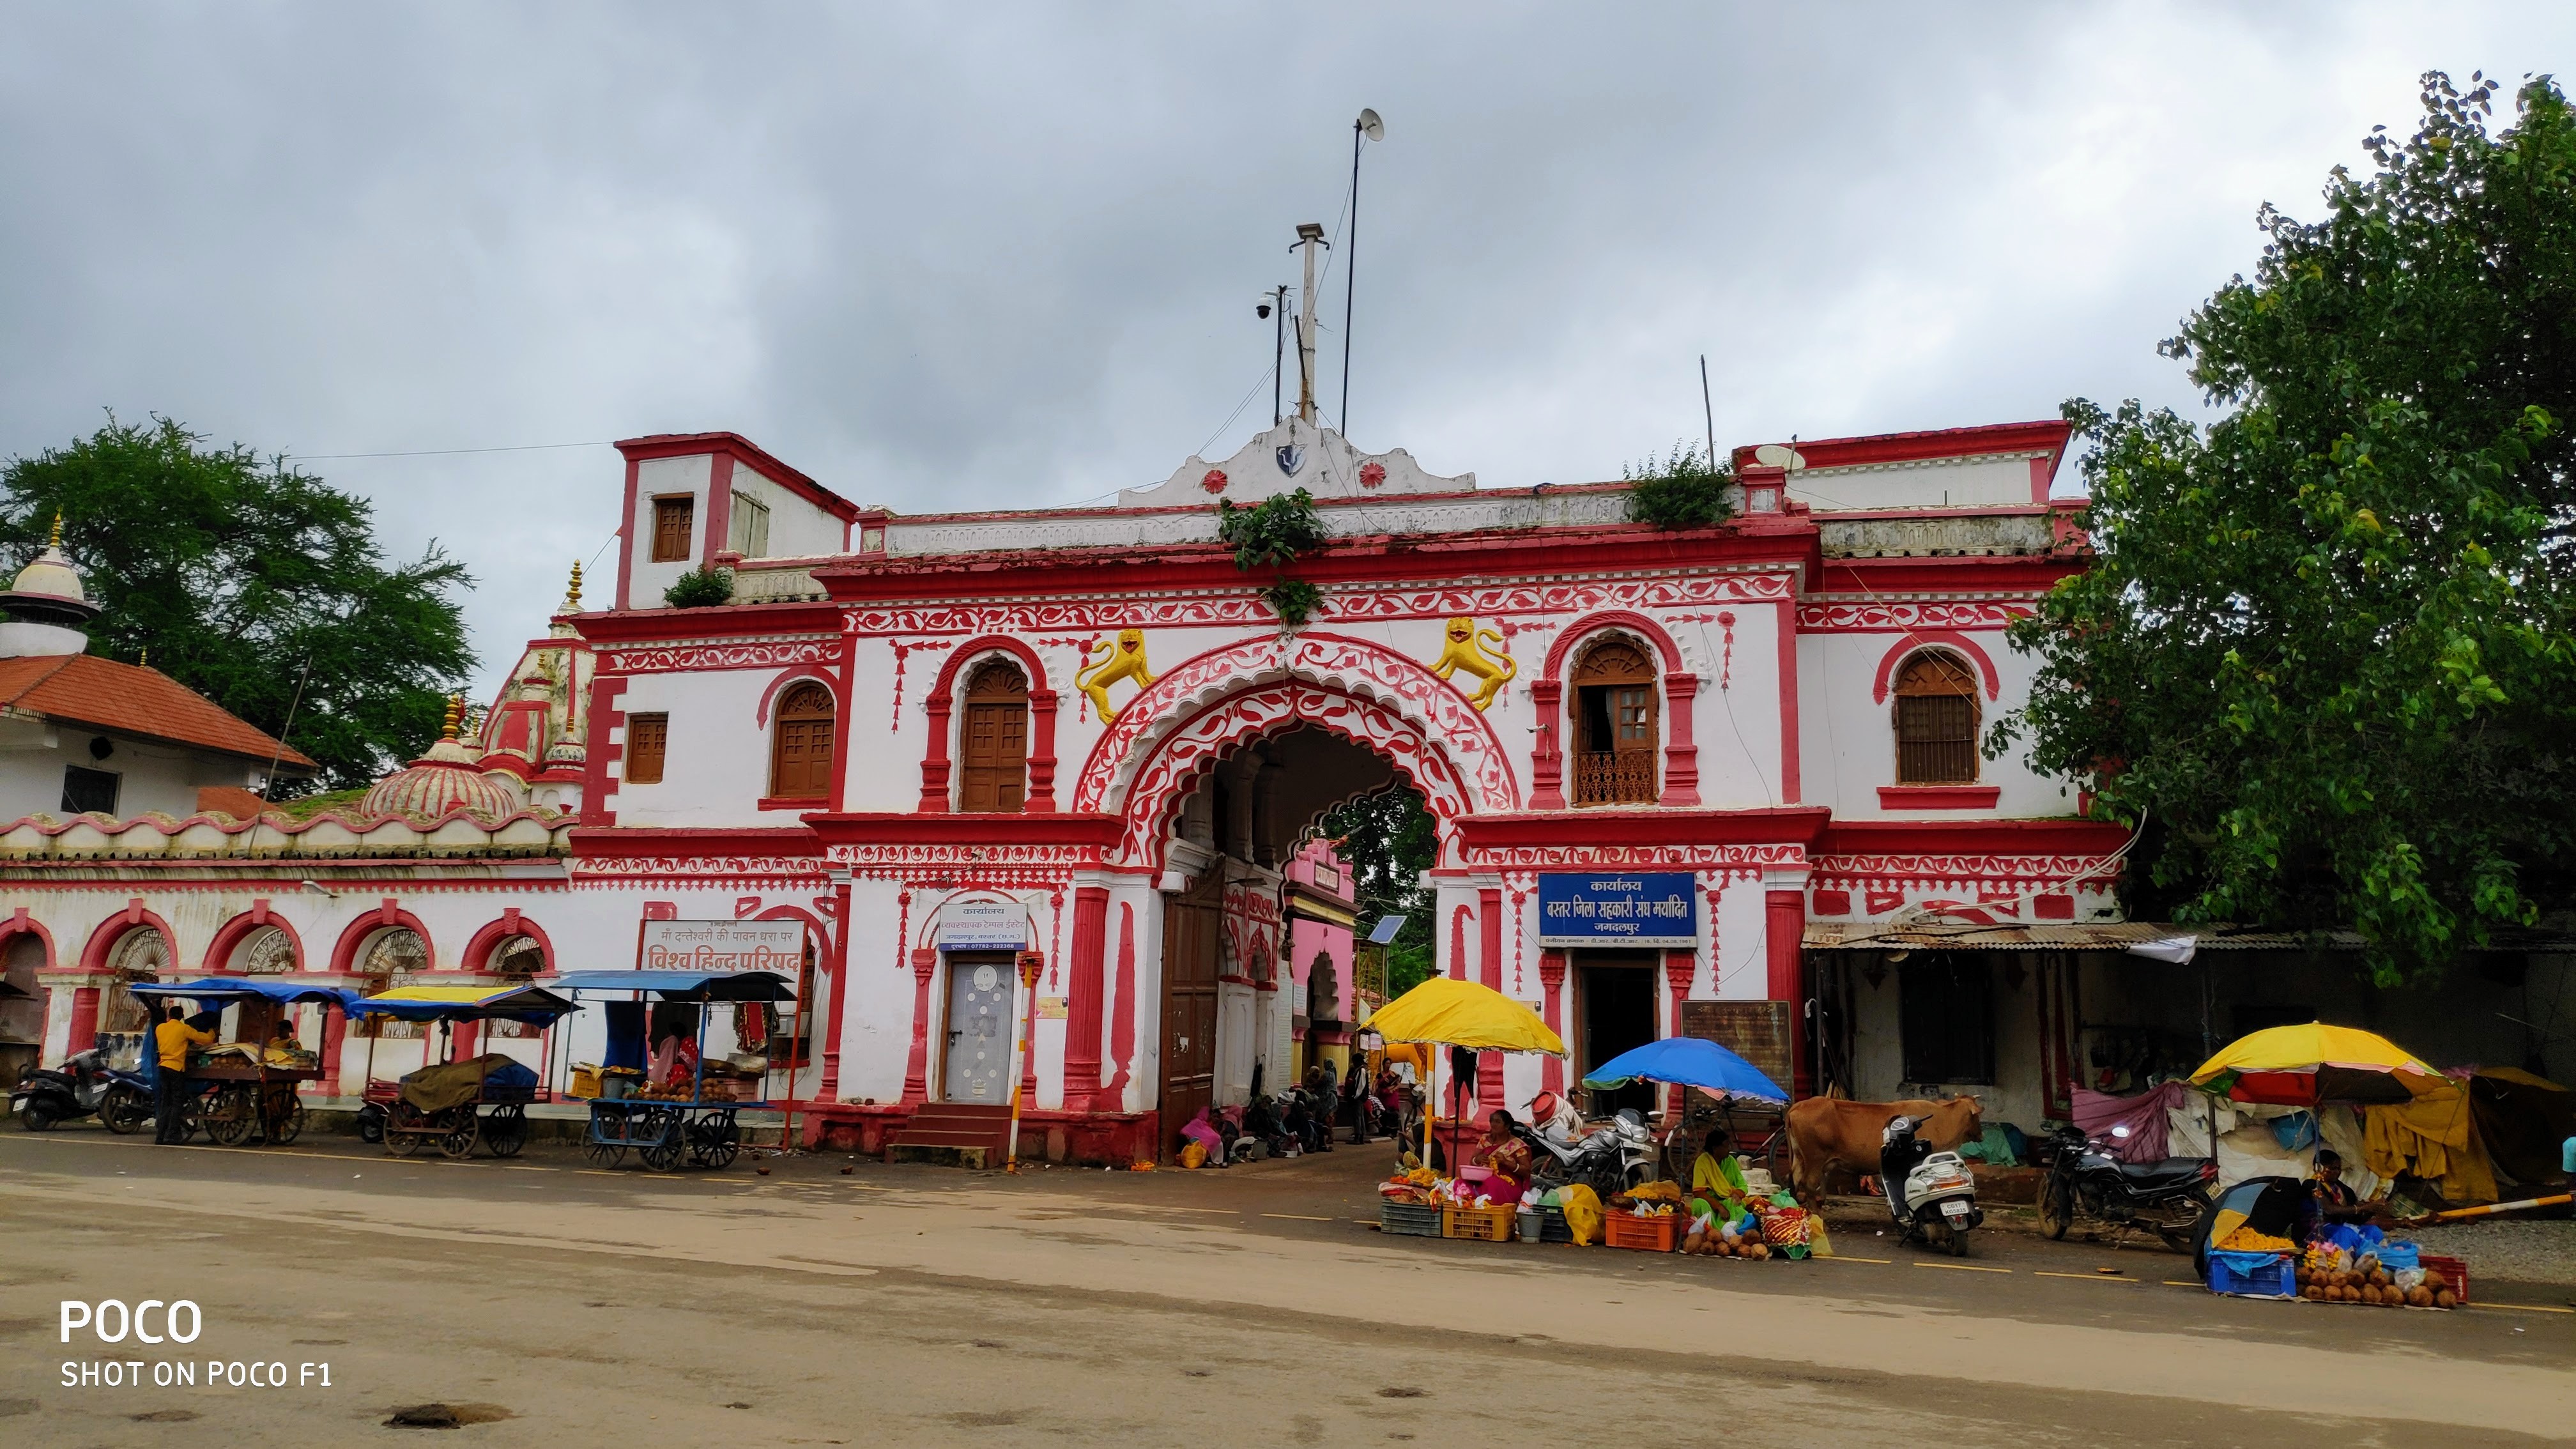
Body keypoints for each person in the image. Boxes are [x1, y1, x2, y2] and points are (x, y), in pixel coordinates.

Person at [151, 1003, 212, 1144]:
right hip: (176, 1068)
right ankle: (172, 1134)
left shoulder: (160, 1028)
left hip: (163, 1066)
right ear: (182, 1016)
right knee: (177, 1102)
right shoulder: (184, 1029)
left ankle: (160, 1136)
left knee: (165, 1101)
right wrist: (212, 1032)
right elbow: (205, 1039)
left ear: (169, 1016)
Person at [1471, 1108, 1532, 1203]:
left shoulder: (1517, 1145)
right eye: (1492, 1121)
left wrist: (1506, 1162)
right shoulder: (1485, 1139)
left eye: (1498, 1122)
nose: (1493, 1125)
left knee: (1492, 1183)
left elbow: (1526, 1172)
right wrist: (1477, 1160)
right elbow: (1472, 1163)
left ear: (1507, 1126)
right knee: (1461, 1184)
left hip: (1509, 1185)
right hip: (1483, 1180)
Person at [1692, 1126, 1751, 1203]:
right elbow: (1698, 1192)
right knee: (1699, 1203)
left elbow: (1742, 1184)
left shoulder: (1730, 1160)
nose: (1729, 1149)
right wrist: (1718, 1206)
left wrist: (1737, 1193)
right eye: (1726, 1146)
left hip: (1728, 1199)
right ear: (1715, 1148)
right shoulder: (1703, 1161)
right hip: (1709, 1201)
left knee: (1734, 1204)